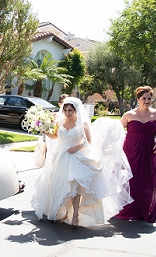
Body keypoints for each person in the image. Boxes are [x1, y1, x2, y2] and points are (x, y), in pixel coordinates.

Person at [31, 97, 133, 227]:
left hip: (76, 156)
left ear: (75, 110)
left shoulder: (82, 124)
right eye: (66, 110)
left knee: (75, 185)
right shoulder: (60, 123)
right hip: (61, 156)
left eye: (70, 110)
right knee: (62, 185)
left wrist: (77, 147)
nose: (68, 113)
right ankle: (66, 212)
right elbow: (56, 136)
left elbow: (88, 141)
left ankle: (75, 215)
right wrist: (45, 131)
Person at [114, 86, 156, 223]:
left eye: (149, 98)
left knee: (147, 180)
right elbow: (118, 130)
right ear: (138, 99)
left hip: (149, 150)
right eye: (144, 98)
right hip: (131, 150)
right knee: (130, 179)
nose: (146, 101)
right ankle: (127, 210)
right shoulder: (129, 115)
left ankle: (143, 210)